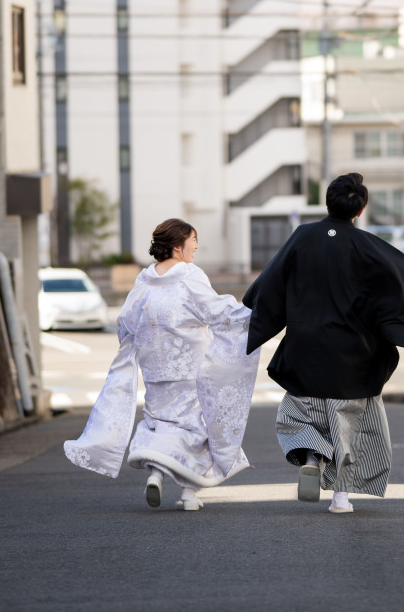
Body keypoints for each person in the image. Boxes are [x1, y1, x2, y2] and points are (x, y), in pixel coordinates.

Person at [242, 173, 404, 514]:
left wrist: (248, 310)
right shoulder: (367, 245)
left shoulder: (302, 237)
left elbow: (270, 282)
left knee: (297, 413)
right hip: (351, 356)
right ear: (359, 211)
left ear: (327, 202)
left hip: (305, 348)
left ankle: (312, 455)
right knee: (348, 425)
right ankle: (340, 498)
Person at [64, 218, 260, 511]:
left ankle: (156, 474)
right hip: (188, 366)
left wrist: (146, 345)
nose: (196, 246)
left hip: (155, 369)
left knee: (159, 422)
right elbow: (216, 310)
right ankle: (190, 495)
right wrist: (253, 314)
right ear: (178, 245)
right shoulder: (189, 275)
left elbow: (126, 322)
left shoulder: (145, 279)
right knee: (193, 426)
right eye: (193, 240)